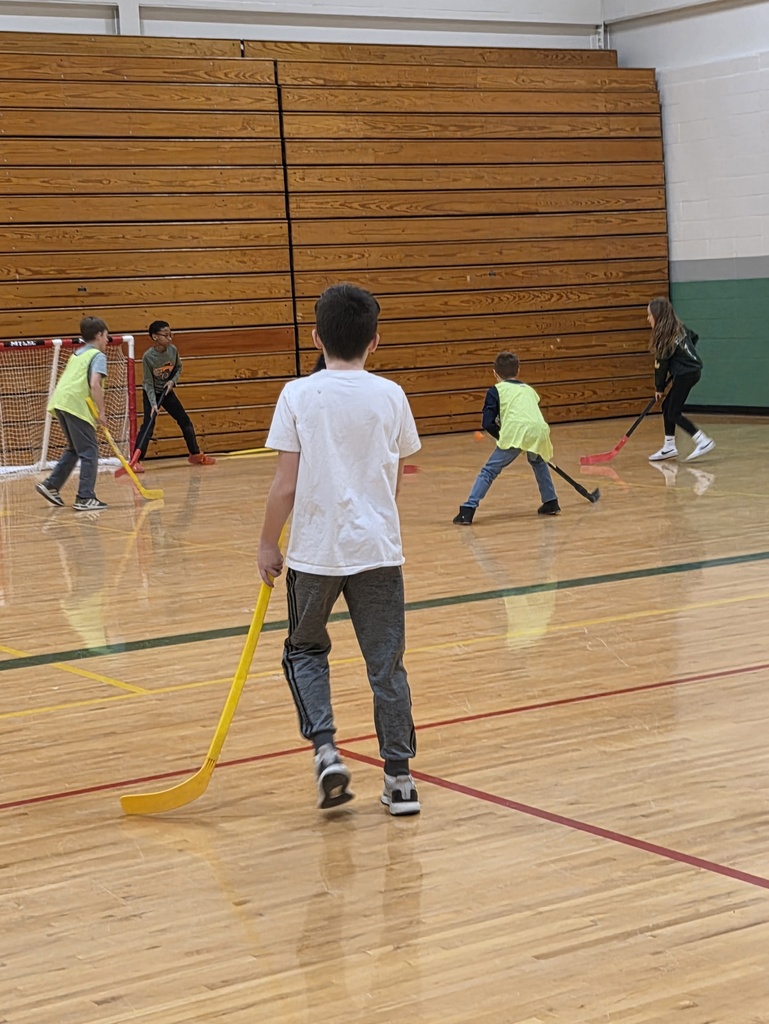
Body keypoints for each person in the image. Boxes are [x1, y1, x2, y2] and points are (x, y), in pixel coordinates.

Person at [257, 283, 422, 816]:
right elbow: (393, 475)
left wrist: (266, 542)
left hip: (314, 553)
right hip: (378, 550)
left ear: (315, 336)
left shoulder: (298, 394)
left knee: (303, 650)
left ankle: (327, 752)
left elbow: (285, 485)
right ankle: (399, 782)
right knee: (387, 667)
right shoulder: (391, 394)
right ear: (375, 341)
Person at [452, 351, 559, 525]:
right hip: (539, 430)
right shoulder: (529, 389)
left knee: (489, 471)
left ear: (494, 373)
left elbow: (487, 423)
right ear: (519, 370)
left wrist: (503, 437)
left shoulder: (496, 390)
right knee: (538, 463)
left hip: (517, 431)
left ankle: (467, 510)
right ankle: (551, 501)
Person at [35, 316, 110, 512]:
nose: (107, 340)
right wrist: (102, 412)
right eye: (106, 336)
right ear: (99, 334)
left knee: (76, 449)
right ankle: (85, 497)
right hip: (75, 405)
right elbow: (94, 384)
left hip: (61, 402)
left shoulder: (77, 353)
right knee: (90, 450)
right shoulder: (97, 356)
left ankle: (52, 485)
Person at [132, 321, 215, 469]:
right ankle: (136, 460)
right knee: (148, 426)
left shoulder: (173, 350)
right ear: (155, 337)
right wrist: (153, 404)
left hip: (167, 391)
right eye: (165, 335)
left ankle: (195, 454)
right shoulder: (148, 357)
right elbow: (148, 383)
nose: (169, 338)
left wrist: (172, 382)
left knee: (185, 421)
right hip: (151, 394)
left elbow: (178, 368)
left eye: (171, 334)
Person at [647, 297, 715, 462]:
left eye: (649, 315)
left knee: (673, 412)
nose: (647, 319)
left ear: (658, 316)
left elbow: (661, 366)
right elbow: (694, 337)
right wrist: (683, 358)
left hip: (686, 374)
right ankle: (669, 446)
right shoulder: (680, 329)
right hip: (692, 371)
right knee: (667, 407)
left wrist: (659, 388)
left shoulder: (663, 338)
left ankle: (702, 440)